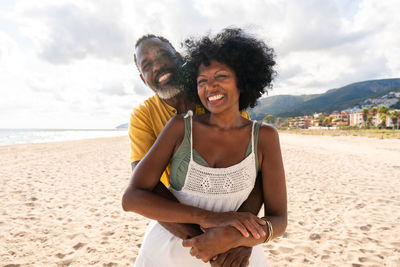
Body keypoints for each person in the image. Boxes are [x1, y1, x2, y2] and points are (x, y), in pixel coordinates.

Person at [123, 28, 287, 266]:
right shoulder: (162, 122)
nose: (156, 67)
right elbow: (141, 191)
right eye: (146, 64)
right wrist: (207, 240)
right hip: (175, 236)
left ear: (180, 59)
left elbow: (258, 180)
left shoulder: (250, 125)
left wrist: (239, 239)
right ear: (142, 78)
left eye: (161, 56)